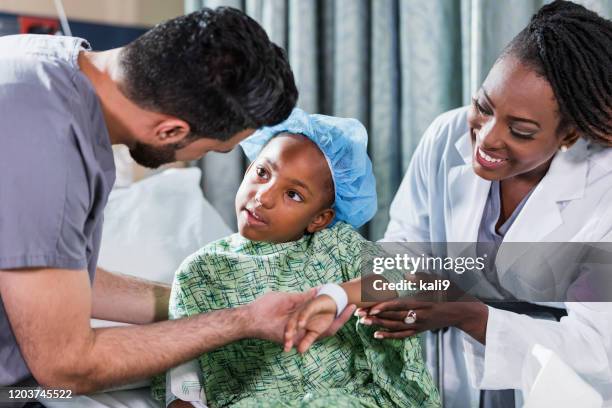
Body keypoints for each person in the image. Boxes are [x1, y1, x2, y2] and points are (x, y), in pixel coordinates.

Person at [0, 6, 354, 402]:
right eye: (217, 149)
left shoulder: (39, 65)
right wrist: (241, 322)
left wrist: (205, 298)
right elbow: (66, 367)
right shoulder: (51, 156)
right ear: (171, 131)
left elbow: (57, 278)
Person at [285, 1, 612, 406]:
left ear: (570, 135)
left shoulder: (605, 191)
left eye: (521, 131)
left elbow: (598, 347)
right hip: (449, 378)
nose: (488, 138)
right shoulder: (446, 135)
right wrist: (348, 296)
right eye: (484, 106)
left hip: (557, 388)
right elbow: (406, 250)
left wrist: (466, 313)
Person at [153, 109, 441, 408]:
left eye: (293, 194)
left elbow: (399, 277)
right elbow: (182, 373)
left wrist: (337, 296)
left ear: (320, 218)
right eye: (262, 173)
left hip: (350, 399)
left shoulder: (337, 246)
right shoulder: (200, 273)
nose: (263, 196)